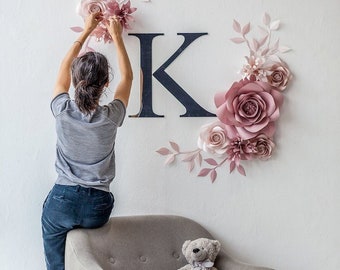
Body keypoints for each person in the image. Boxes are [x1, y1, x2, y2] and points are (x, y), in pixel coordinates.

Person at [41, 11, 133, 270]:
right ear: (105, 84)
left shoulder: (62, 109)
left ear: (75, 81)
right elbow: (127, 78)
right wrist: (116, 37)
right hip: (98, 207)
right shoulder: (111, 116)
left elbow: (62, 71)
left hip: (62, 200)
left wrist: (86, 30)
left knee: (56, 261)